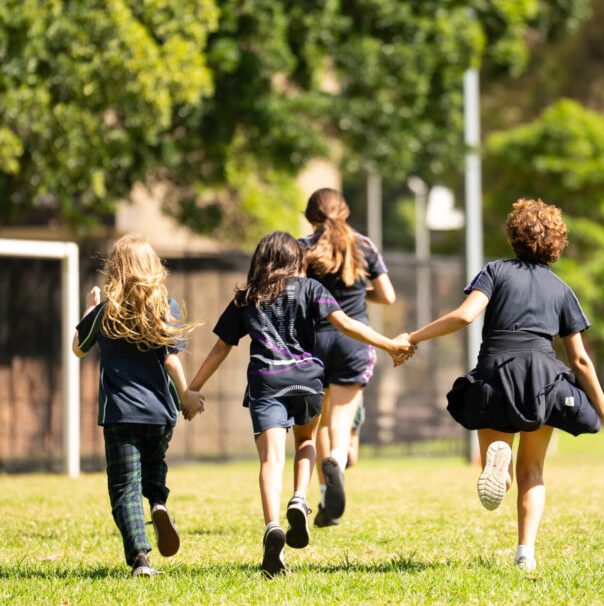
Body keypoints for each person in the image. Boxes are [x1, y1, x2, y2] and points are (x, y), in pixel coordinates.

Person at [407, 198, 604, 570]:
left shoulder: (495, 271)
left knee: (501, 466)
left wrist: (414, 337)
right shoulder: (561, 289)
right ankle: (524, 553)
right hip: (543, 381)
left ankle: (499, 464)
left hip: (495, 376)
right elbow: (579, 359)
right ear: (557, 244)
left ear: (514, 235)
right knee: (535, 471)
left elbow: (465, 316)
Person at [186, 231, 413, 577]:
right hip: (307, 380)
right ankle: (299, 498)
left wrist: (193, 388)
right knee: (306, 442)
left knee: (270, 459)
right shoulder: (312, 290)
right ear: (297, 260)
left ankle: (272, 526)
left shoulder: (247, 297)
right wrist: (388, 345)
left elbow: (221, 347)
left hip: (266, 381)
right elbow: (348, 324)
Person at [73, 234, 204, 577]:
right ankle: (159, 502)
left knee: (124, 486)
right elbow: (172, 362)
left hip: (120, 414)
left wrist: (89, 310)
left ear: (115, 269)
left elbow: (78, 348)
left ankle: (140, 559)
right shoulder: (167, 307)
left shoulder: (105, 312)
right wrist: (186, 396)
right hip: (160, 413)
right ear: (153, 267)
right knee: (154, 463)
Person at [299, 188, 397, 528]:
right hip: (354, 340)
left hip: (312, 341)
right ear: (346, 210)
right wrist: (356, 288)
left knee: (320, 422)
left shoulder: (301, 247)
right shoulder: (364, 246)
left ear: (310, 215)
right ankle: (338, 461)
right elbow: (387, 295)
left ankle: (327, 500)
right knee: (340, 420)